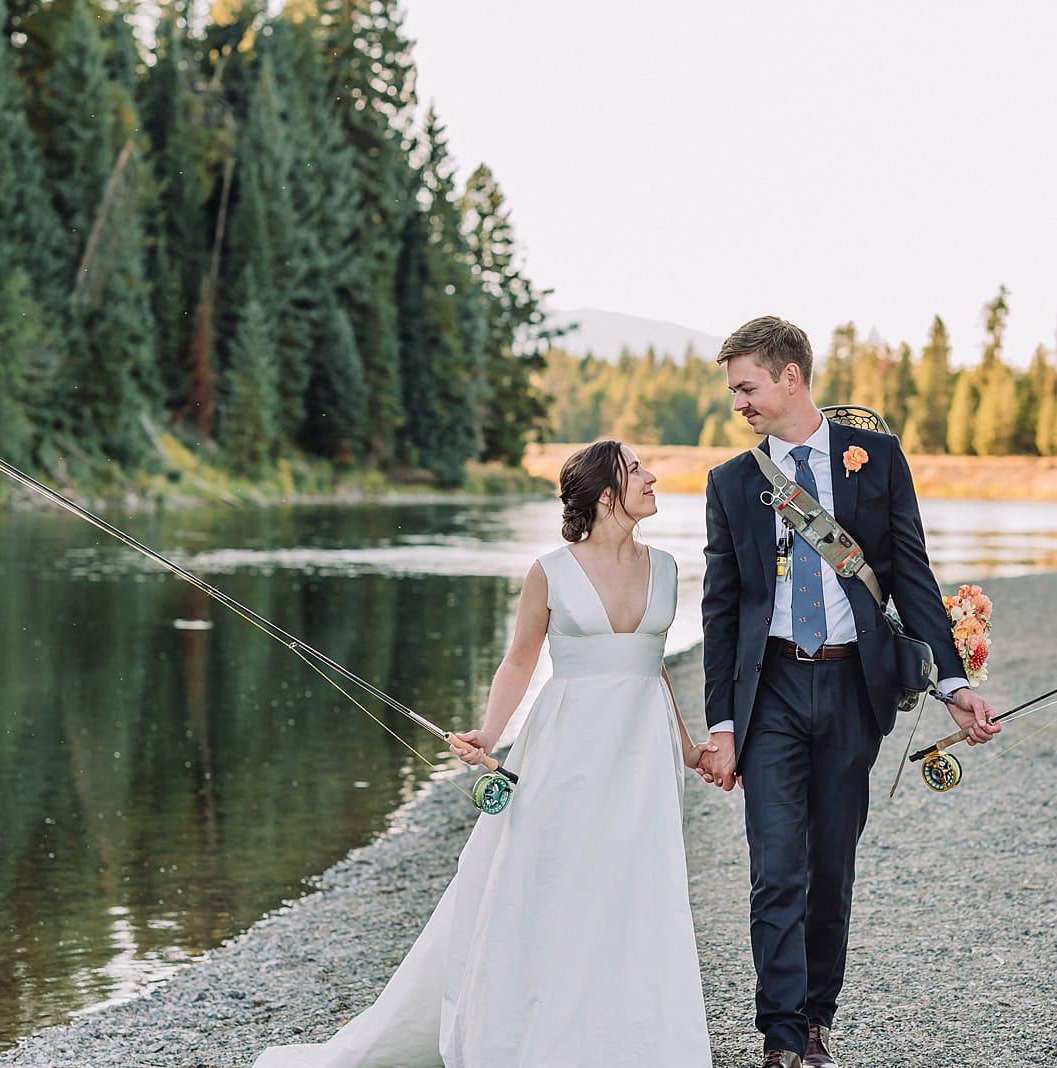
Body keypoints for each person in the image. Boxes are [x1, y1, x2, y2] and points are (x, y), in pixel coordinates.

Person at [253, 440, 715, 1068]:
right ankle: (535, 1035)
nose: (653, 477)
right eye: (637, 471)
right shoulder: (550, 571)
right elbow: (520, 659)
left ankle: (631, 1037)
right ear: (607, 495)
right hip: (566, 748)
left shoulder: (665, 567)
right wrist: (490, 734)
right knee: (555, 880)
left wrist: (687, 747)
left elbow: (653, 666)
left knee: (636, 886)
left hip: (644, 755)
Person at [696, 316, 1001, 1068]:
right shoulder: (732, 483)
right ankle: (777, 1034)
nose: (739, 403)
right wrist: (723, 724)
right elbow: (720, 606)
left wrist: (952, 683)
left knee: (831, 867)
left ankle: (814, 1026)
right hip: (768, 694)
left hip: (850, 685)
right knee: (776, 867)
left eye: (747, 387)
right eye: (735, 390)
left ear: (789, 377)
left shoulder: (878, 459)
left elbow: (913, 573)